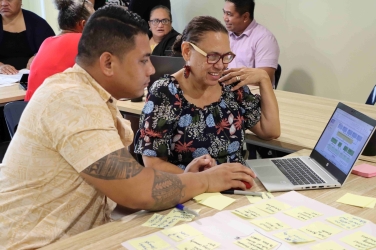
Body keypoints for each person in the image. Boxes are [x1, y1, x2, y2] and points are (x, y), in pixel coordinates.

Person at [0, 6, 255, 249]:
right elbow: (138, 191)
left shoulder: (90, 94)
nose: (152, 69)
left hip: (79, 237)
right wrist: (205, 180)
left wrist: (186, 180)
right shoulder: (73, 101)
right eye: (143, 60)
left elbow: (123, 192)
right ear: (108, 63)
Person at [134, 16, 280, 173]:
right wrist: (206, 180)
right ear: (187, 51)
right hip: (190, 190)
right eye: (212, 56)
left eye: (226, 57)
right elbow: (153, 163)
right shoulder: (165, 93)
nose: (220, 65)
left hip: (236, 187)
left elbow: (270, 131)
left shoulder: (231, 85)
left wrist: (264, 79)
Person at [24, 0, 94, 101]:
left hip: (32, 111)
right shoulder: (84, 42)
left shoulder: (46, 42)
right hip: (61, 111)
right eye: (94, 22)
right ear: (83, 24)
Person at [223, 0, 279, 87]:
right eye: (224, 13)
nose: (225, 18)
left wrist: (231, 83)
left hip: (249, 95)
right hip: (223, 91)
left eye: (229, 14)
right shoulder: (223, 35)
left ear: (245, 17)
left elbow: (263, 79)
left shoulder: (265, 39)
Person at [0, 0, 55, 74]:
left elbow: (53, 50)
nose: (4, 4)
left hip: (31, 75)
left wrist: (39, 56)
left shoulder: (38, 23)